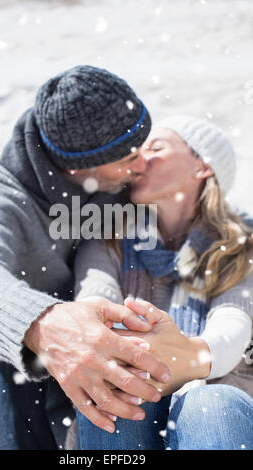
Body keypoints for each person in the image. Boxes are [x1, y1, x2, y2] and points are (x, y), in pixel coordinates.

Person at [0, 65, 173, 450]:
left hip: (123, 362)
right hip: (37, 384)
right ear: (76, 167)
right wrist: (44, 325)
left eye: (143, 148)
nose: (141, 166)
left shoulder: (119, 183)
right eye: (126, 157)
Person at [74, 115, 253, 450]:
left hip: (220, 420)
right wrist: (142, 356)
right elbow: (92, 306)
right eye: (135, 152)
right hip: (129, 413)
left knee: (211, 404)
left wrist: (187, 357)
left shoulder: (242, 245)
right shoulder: (107, 237)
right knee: (124, 390)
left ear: (202, 166)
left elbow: (233, 327)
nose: (139, 160)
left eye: (155, 147)